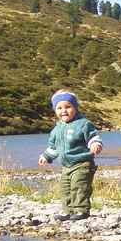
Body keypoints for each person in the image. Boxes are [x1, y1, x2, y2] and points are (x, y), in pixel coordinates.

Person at [39, 90, 103, 221]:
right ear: (55, 110)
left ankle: (81, 210)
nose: (64, 111)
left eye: (68, 107)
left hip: (82, 163)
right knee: (66, 188)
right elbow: (53, 147)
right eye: (59, 108)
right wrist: (46, 156)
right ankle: (68, 211)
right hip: (66, 166)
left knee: (79, 186)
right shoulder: (56, 129)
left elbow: (93, 136)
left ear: (75, 107)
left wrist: (95, 144)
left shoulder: (83, 124)